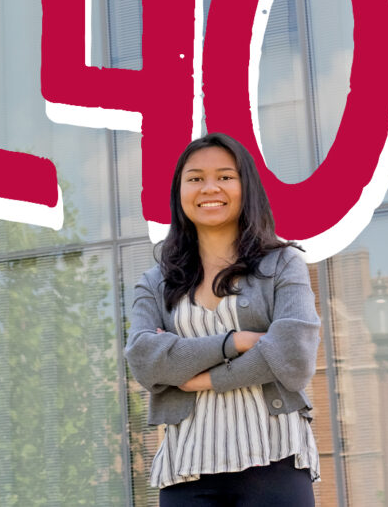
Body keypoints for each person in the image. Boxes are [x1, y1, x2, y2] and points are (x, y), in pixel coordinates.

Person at [125, 133, 321, 505]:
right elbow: (145, 360)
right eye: (195, 178)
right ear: (179, 193)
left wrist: (208, 379)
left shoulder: (282, 265)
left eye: (225, 177)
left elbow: (294, 357)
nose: (209, 187)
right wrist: (234, 342)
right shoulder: (156, 282)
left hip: (274, 458)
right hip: (189, 469)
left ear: (246, 187)